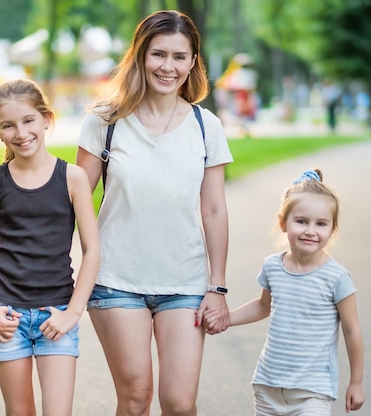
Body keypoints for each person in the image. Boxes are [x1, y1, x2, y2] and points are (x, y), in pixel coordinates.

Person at [75, 10, 233, 416]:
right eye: (158, 54)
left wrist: (217, 287)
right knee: (135, 398)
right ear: (140, 55)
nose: (168, 67)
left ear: (194, 61)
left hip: (185, 281)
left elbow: (214, 209)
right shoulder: (105, 122)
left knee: (180, 404)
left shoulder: (206, 126)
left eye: (180, 57)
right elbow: (73, 200)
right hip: (115, 280)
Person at [0, 78, 100, 416]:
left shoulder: (72, 178)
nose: (20, 132)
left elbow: (93, 250)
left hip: (55, 315)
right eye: (8, 125)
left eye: (28, 120)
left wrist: (73, 313)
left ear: (46, 119)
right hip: (8, 316)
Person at [209, 169, 365, 415]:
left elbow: (351, 330)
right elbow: (263, 306)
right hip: (269, 385)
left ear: (332, 229)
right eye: (301, 221)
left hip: (312, 391)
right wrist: (226, 319)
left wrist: (356, 382)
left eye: (321, 224)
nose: (310, 231)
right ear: (283, 222)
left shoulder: (337, 277)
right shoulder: (273, 266)